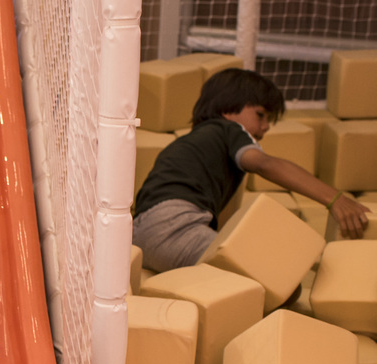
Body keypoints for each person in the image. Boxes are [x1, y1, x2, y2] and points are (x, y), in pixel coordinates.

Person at [133, 68, 369, 273]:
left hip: (139, 234)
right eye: (260, 115)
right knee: (282, 282)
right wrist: (336, 199)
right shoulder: (229, 129)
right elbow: (265, 164)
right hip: (176, 229)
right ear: (228, 108)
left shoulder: (195, 141)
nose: (265, 127)